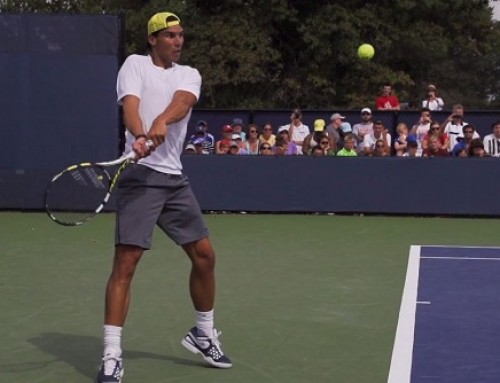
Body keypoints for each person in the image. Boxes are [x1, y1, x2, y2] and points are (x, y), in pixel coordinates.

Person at [97, 12, 232, 383]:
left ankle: (203, 333)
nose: (178, 41)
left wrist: (161, 123)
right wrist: (140, 134)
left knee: (205, 256)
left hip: (174, 180)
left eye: (181, 35)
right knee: (126, 263)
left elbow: (183, 102)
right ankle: (111, 354)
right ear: (153, 38)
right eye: (170, 35)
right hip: (140, 178)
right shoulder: (134, 65)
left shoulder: (188, 73)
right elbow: (131, 108)